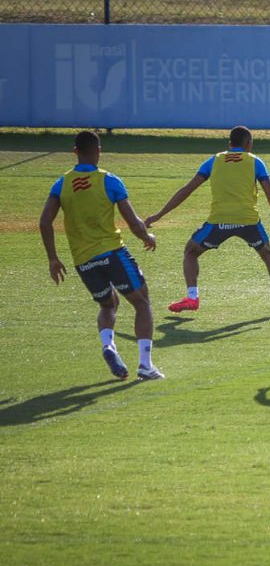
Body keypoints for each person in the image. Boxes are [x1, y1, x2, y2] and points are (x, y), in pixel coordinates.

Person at [39, 130, 163, 381]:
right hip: (113, 253)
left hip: (83, 260)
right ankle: (145, 365)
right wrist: (146, 238)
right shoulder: (109, 181)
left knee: (109, 303)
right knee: (141, 302)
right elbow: (134, 222)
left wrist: (53, 258)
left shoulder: (61, 184)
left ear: (75, 152)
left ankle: (108, 345)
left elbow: (44, 222)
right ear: (99, 151)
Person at [144, 126, 270, 314]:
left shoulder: (213, 161)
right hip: (249, 221)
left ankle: (192, 297)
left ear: (229, 144)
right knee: (267, 253)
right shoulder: (255, 162)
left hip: (219, 222)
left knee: (191, 252)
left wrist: (158, 215)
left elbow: (187, 190)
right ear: (248, 144)